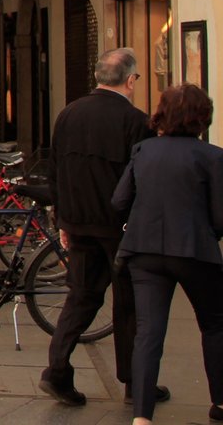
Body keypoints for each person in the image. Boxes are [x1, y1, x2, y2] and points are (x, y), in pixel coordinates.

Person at [39, 47, 162, 407]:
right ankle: (135, 383)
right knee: (129, 303)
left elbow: (55, 170)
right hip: (119, 226)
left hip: (78, 221)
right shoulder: (136, 121)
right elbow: (142, 179)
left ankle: (57, 371)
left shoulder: (68, 114)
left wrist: (62, 218)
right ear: (131, 79)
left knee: (81, 295)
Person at [112, 83, 223, 425]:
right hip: (193, 250)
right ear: (202, 118)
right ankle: (219, 402)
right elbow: (220, 217)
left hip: (144, 250)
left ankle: (142, 415)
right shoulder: (213, 156)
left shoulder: (143, 151)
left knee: (148, 331)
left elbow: (119, 201)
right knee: (216, 324)